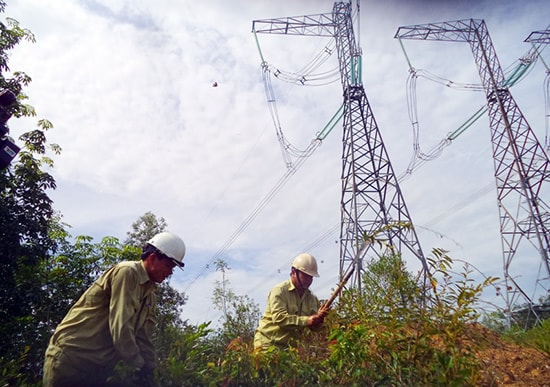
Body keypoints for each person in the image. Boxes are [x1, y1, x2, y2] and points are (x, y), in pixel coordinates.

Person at [42, 231, 187, 387]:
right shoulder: (127, 272)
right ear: (152, 259)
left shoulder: (150, 294)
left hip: (98, 369)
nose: (170, 272)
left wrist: (152, 370)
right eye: (168, 265)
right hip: (72, 360)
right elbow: (121, 326)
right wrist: (138, 365)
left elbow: (144, 337)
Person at [253, 253, 329, 351]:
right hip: (267, 345)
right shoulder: (279, 291)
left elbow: (314, 326)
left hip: (290, 349)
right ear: (293, 272)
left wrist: (319, 319)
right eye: (305, 276)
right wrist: (307, 320)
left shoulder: (310, 298)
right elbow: (279, 318)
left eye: (311, 277)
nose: (309, 280)